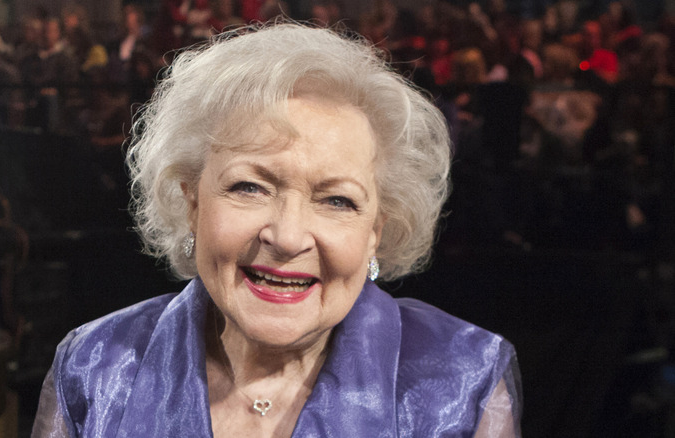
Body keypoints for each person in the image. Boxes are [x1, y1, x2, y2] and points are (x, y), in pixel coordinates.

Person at [31, 23, 522, 437]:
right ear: (192, 201)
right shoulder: (96, 366)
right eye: (249, 187)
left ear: (376, 231)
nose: (287, 237)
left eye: (337, 200)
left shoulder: (461, 382)